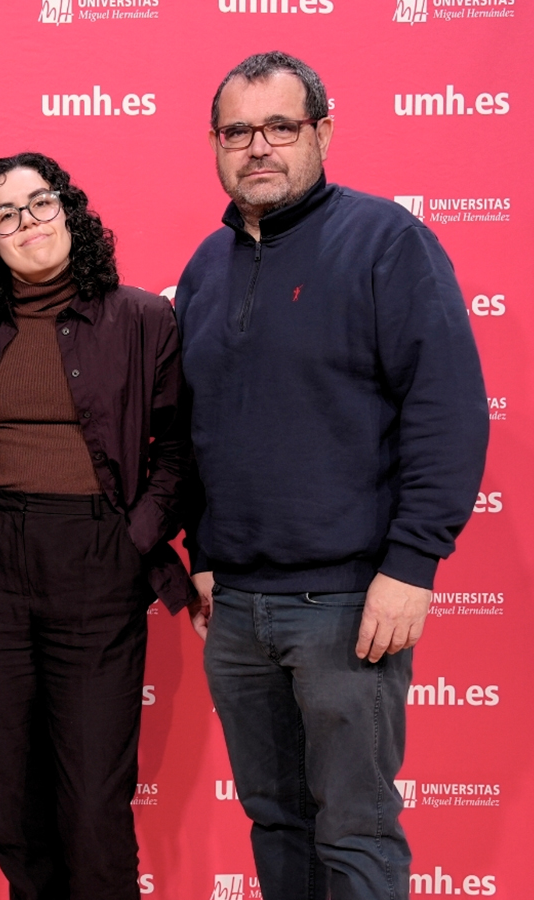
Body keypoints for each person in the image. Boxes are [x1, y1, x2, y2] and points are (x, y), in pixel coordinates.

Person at [176, 52, 489, 900]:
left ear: (323, 132)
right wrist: (202, 553)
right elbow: (194, 428)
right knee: (275, 822)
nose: (258, 147)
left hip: (349, 606)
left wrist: (412, 565)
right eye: (238, 131)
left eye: (281, 127)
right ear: (215, 144)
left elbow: (448, 410)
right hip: (237, 610)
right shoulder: (206, 267)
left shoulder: (387, 242)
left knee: (355, 833)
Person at [0, 152, 194, 900]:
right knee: (10, 792)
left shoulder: (144, 319)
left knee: (94, 802)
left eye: (40, 203)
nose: (27, 223)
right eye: (5, 215)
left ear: (69, 210)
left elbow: (179, 450)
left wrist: (134, 538)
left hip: (97, 560)